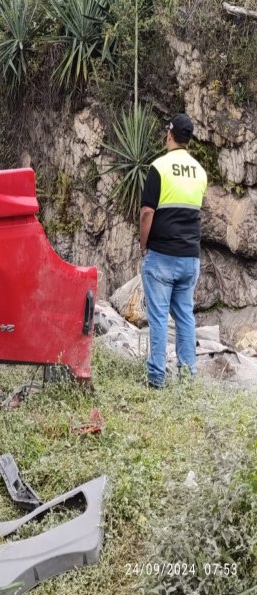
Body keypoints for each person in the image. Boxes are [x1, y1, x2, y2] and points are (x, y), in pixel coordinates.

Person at [140, 113, 208, 388]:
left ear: (169, 134)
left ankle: (156, 378)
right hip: (190, 257)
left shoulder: (159, 167)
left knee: (158, 317)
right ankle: (188, 377)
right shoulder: (200, 172)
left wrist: (143, 244)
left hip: (162, 257)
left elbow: (147, 212)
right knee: (185, 317)